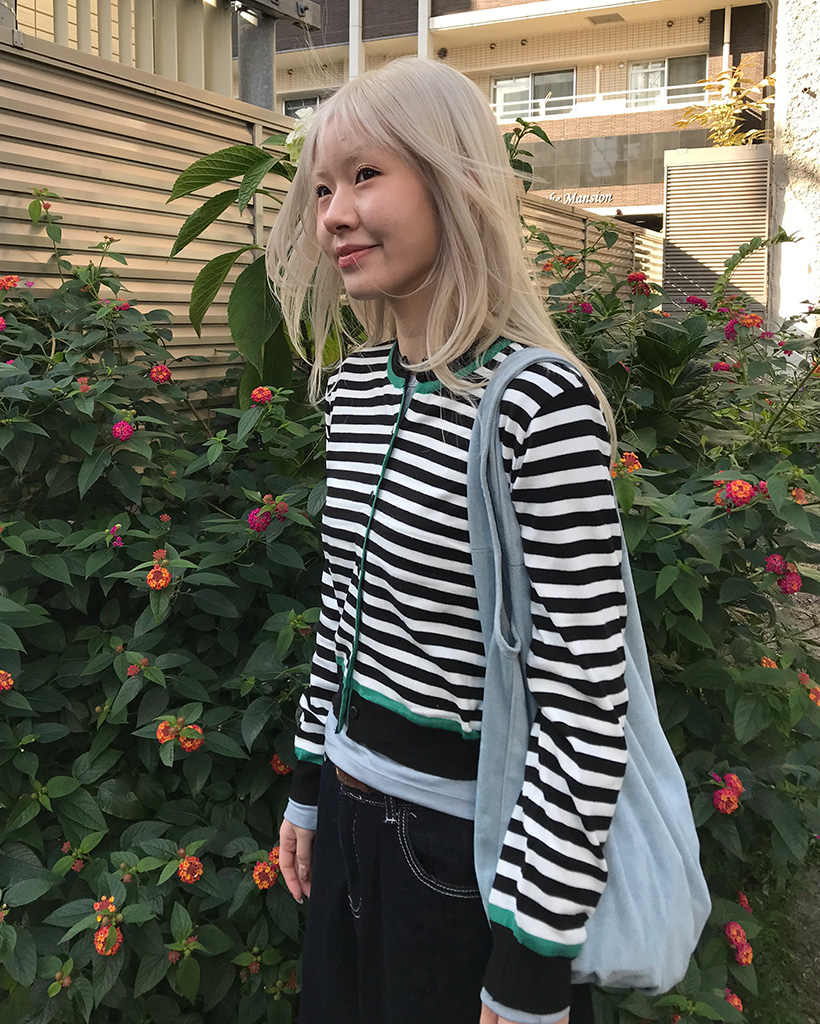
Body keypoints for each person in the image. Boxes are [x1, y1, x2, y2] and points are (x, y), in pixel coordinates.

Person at [266, 57, 628, 1024]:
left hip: (466, 861)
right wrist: (309, 788)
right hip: (347, 823)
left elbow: (586, 701)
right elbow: (343, 613)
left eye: (365, 175)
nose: (335, 214)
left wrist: (533, 960)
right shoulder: (354, 392)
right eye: (323, 189)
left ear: (454, 179)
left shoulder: (538, 405)